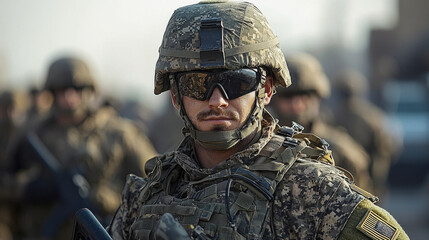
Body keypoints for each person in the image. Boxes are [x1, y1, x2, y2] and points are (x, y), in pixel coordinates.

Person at [108, 1, 409, 239]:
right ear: (176, 96)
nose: (217, 100)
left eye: (235, 83)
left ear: (265, 90)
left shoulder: (311, 191)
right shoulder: (147, 193)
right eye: (197, 85)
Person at [7, 56, 157, 239]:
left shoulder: (120, 132)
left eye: (77, 89)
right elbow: (4, 179)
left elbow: (156, 181)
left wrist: (109, 198)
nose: (70, 97)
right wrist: (25, 188)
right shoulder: (32, 133)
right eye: (62, 90)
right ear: (52, 92)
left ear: (89, 90)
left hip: (103, 228)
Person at [269, 52, 374, 191]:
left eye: (304, 95)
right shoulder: (258, 146)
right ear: (273, 98)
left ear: (317, 97)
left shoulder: (342, 151)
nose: (296, 104)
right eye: (288, 96)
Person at [332, 69, 398, 198]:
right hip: (351, 179)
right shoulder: (372, 116)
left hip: (364, 178)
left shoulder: (370, 117)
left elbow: (384, 149)